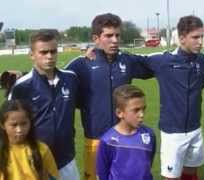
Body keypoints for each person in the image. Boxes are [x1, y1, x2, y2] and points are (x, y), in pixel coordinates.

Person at [65, 13, 153, 180]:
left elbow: (158, 65)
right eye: (108, 35)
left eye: (117, 35)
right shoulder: (82, 63)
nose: (114, 40)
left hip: (125, 139)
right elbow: (55, 78)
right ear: (96, 38)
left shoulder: (127, 61)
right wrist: (20, 75)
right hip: (95, 139)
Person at [136, 15, 204, 180]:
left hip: (195, 129)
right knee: (171, 176)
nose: (200, 42)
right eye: (195, 37)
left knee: (191, 172)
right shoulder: (164, 61)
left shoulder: (202, 61)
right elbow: (132, 60)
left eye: (202, 37)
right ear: (182, 38)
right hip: (173, 133)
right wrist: (97, 52)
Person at [8, 30, 80, 180]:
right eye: (43, 52)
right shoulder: (21, 87)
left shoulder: (71, 79)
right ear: (32, 55)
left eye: (53, 51)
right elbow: (9, 124)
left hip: (67, 159)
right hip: (35, 160)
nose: (49, 56)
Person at [0, 100, 59, 180]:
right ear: (3, 125)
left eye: (24, 124)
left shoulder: (42, 150)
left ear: (30, 123)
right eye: (14, 125)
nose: (19, 130)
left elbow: (53, 177)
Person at [96, 84, 156, 180]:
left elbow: (148, 164)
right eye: (136, 110)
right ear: (120, 113)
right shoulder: (107, 140)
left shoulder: (149, 135)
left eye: (143, 109)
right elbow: (102, 174)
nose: (141, 114)